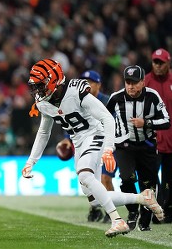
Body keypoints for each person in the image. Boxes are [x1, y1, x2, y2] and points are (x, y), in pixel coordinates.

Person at [21, 59, 164, 238]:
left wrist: (108, 149)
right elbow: (43, 132)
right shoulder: (43, 102)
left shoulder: (76, 91)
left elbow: (107, 117)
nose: (37, 90)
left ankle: (117, 220)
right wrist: (31, 161)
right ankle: (143, 198)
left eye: (40, 84)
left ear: (53, 80)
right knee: (95, 199)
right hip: (78, 141)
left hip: (95, 133)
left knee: (85, 175)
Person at [107, 65, 170, 231]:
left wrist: (147, 123)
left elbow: (166, 121)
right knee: (126, 178)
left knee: (148, 185)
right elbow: (103, 119)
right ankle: (133, 211)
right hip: (124, 145)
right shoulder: (115, 98)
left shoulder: (152, 96)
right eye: (128, 82)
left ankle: (145, 221)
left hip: (147, 146)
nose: (130, 86)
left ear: (143, 82)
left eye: (134, 82)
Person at [59, 70, 115, 223]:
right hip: (83, 142)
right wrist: (66, 139)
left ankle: (110, 212)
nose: (86, 84)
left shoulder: (108, 101)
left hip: (105, 141)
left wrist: (111, 146)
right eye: (83, 80)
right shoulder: (76, 97)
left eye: (90, 82)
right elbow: (72, 122)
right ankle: (95, 208)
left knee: (105, 178)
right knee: (87, 180)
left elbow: (113, 121)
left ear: (99, 85)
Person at [144, 48, 172, 223]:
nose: (158, 66)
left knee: (169, 178)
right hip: (152, 139)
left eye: (161, 63)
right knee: (151, 177)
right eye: (155, 62)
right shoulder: (145, 82)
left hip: (170, 138)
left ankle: (167, 210)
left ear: (168, 63)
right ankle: (153, 210)